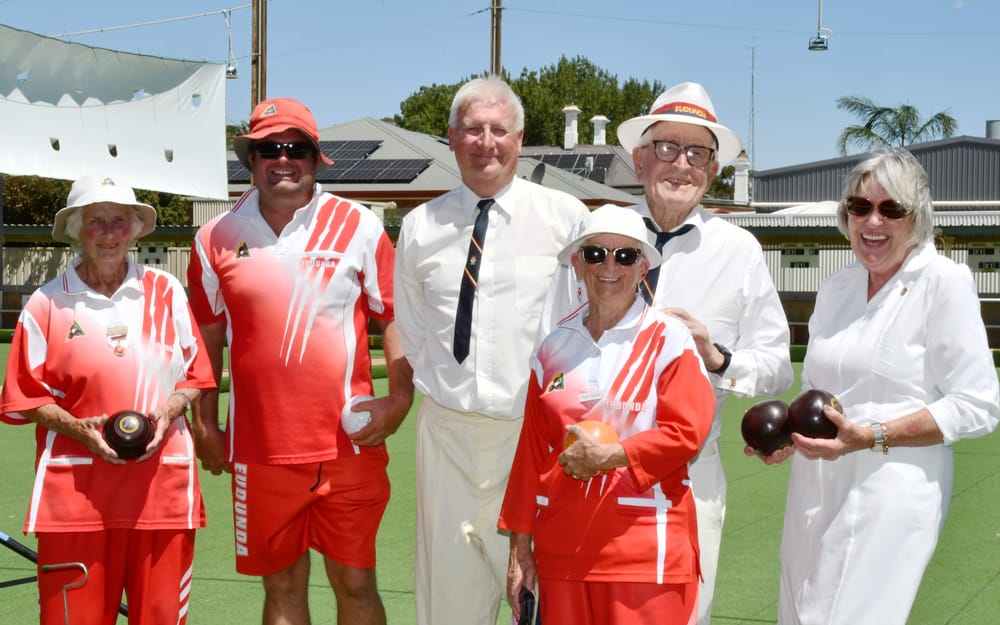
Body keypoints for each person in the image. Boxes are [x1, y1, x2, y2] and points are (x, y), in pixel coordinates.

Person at [186, 97, 413, 625]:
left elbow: (394, 316)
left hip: (347, 444)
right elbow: (205, 336)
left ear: (316, 159)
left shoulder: (358, 225)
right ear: (250, 159)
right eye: (269, 148)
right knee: (282, 584)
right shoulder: (213, 237)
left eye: (296, 148)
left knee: (355, 581)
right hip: (260, 451)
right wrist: (204, 424)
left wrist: (400, 398)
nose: (282, 159)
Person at [751, 149, 1000, 625]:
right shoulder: (838, 287)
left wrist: (871, 435)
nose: (873, 221)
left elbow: (978, 404)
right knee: (801, 613)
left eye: (891, 209)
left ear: (917, 217)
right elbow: (818, 392)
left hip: (894, 486)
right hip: (816, 483)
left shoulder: (943, 283)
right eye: (860, 207)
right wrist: (787, 437)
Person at [575, 81, 790, 624]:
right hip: (589, 468)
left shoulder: (738, 250)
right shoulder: (598, 233)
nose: (681, 164)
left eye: (698, 153)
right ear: (641, 158)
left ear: (713, 169)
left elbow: (777, 367)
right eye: (668, 148)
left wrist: (717, 358)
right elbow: (558, 342)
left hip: (689, 477)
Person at [393, 75, 590, 625]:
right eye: (473, 129)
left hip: (531, 437)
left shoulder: (566, 220)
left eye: (498, 129)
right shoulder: (418, 227)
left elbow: (584, 330)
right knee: (448, 610)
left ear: (520, 138)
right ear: (451, 138)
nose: (486, 142)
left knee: (542, 605)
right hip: (447, 436)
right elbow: (411, 333)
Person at [1, 174, 215, 625]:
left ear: (136, 229)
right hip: (74, 500)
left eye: (121, 221)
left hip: (162, 495)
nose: (110, 232)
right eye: (96, 221)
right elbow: (23, 397)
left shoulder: (167, 291)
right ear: (77, 229)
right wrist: (78, 429)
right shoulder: (45, 304)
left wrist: (170, 409)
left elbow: (197, 376)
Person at [498, 204, 716, 624]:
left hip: (644, 555)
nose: (609, 266)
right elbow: (530, 455)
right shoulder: (553, 347)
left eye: (625, 255)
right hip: (562, 552)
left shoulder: (669, 339)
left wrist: (612, 456)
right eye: (596, 253)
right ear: (578, 264)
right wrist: (519, 549)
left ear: (643, 268)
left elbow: (687, 432)